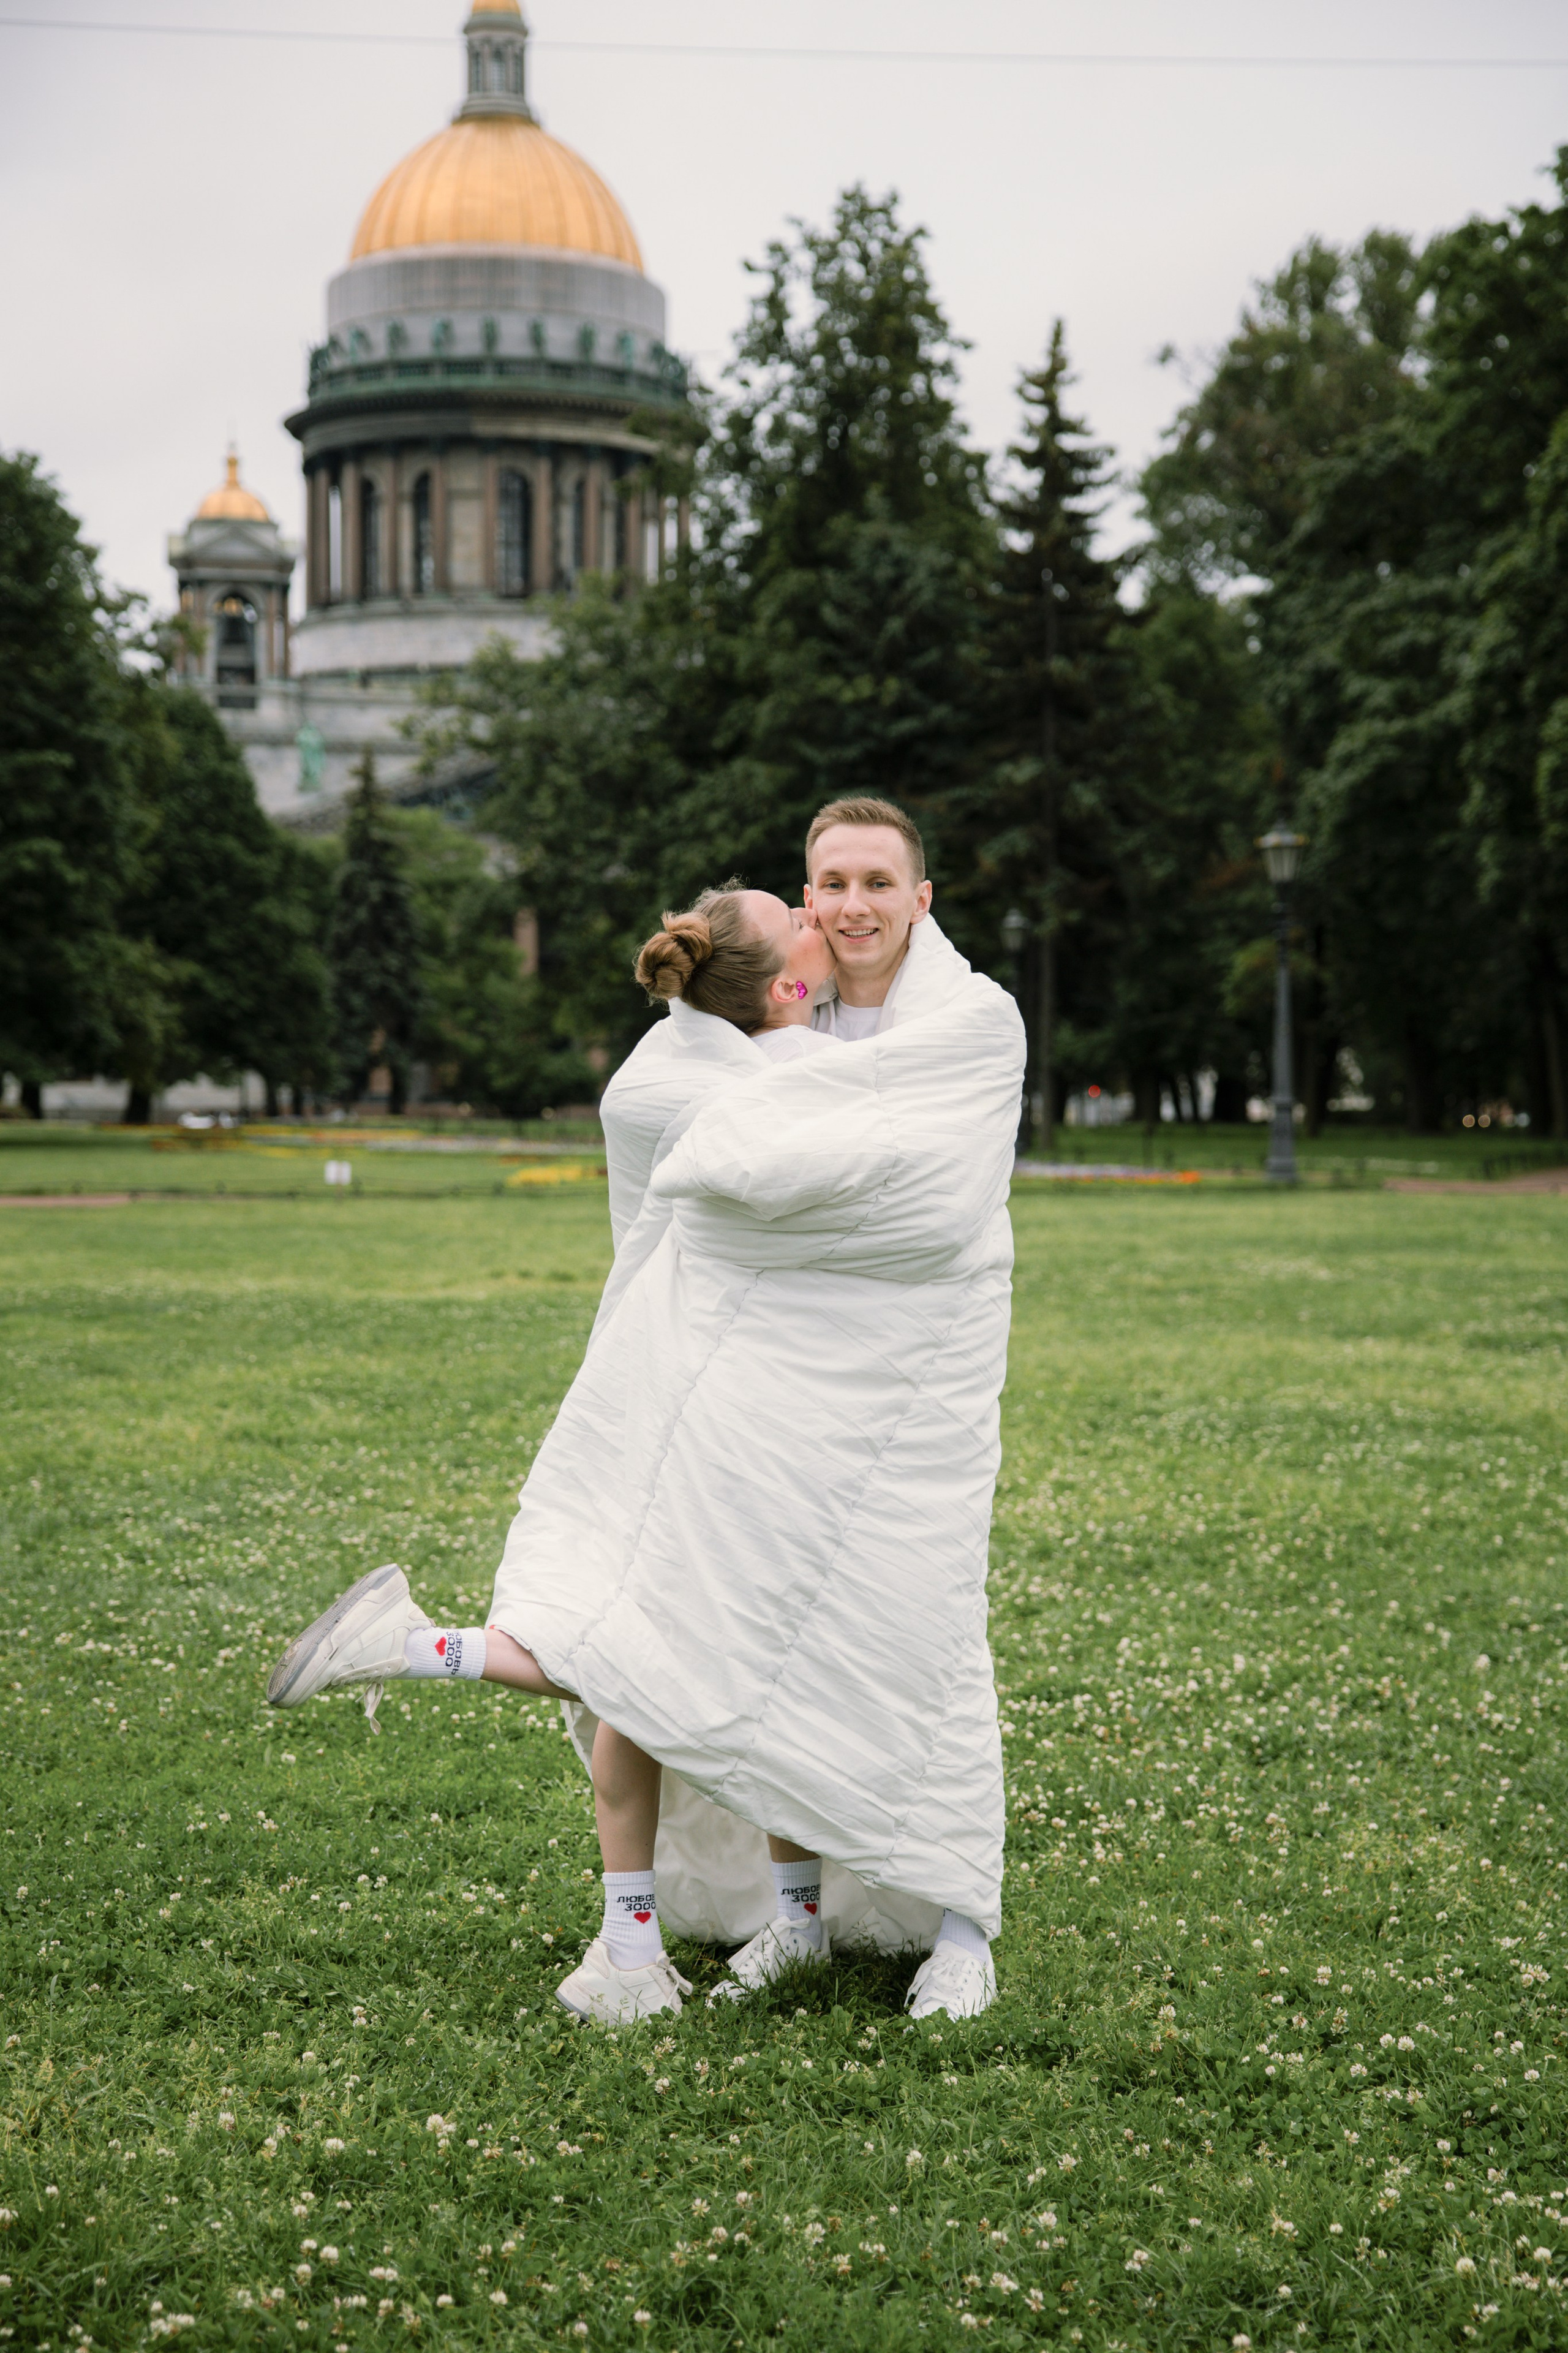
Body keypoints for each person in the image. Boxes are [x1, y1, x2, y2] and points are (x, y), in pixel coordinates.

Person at [268, 800, 1022, 2030]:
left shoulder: (967, 1022)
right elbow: (683, 1166)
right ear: (805, 909)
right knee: (746, 1641)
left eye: (877, 881)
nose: (850, 904)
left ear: (920, 898)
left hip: (907, 1396)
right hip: (752, 1395)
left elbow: (934, 1199)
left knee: (909, 1643)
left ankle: (958, 1924)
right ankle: (791, 1915)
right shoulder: (757, 1034)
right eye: (828, 884)